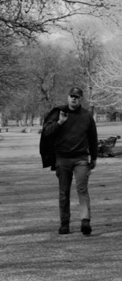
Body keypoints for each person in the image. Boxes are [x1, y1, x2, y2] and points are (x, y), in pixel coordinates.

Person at [41, 86, 98, 235]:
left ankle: (85, 221)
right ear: (68, 97)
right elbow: (46, 132)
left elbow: (93, 138)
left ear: (81, 99)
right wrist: (59, 122)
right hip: (62, 158)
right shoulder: (59, 112)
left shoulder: (86, 116)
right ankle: (64, 223)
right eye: (72, 96)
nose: (74, 98)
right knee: (64, 192)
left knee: (82, 189)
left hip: (81, 158)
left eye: (77, 96)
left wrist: (94, 157)